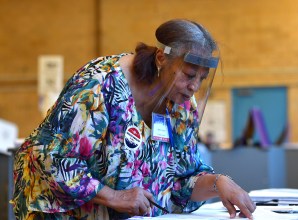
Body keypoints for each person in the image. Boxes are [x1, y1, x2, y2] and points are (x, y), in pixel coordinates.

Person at [12, 19, 256, 219]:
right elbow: (50, 158)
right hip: (62, 212)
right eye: (189, 74)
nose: (194, 86)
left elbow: (180, 182)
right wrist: (115, 196)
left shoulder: (181, 105)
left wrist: (219, 182)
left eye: (202, 79)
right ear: (161, 58)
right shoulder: (99, 86)